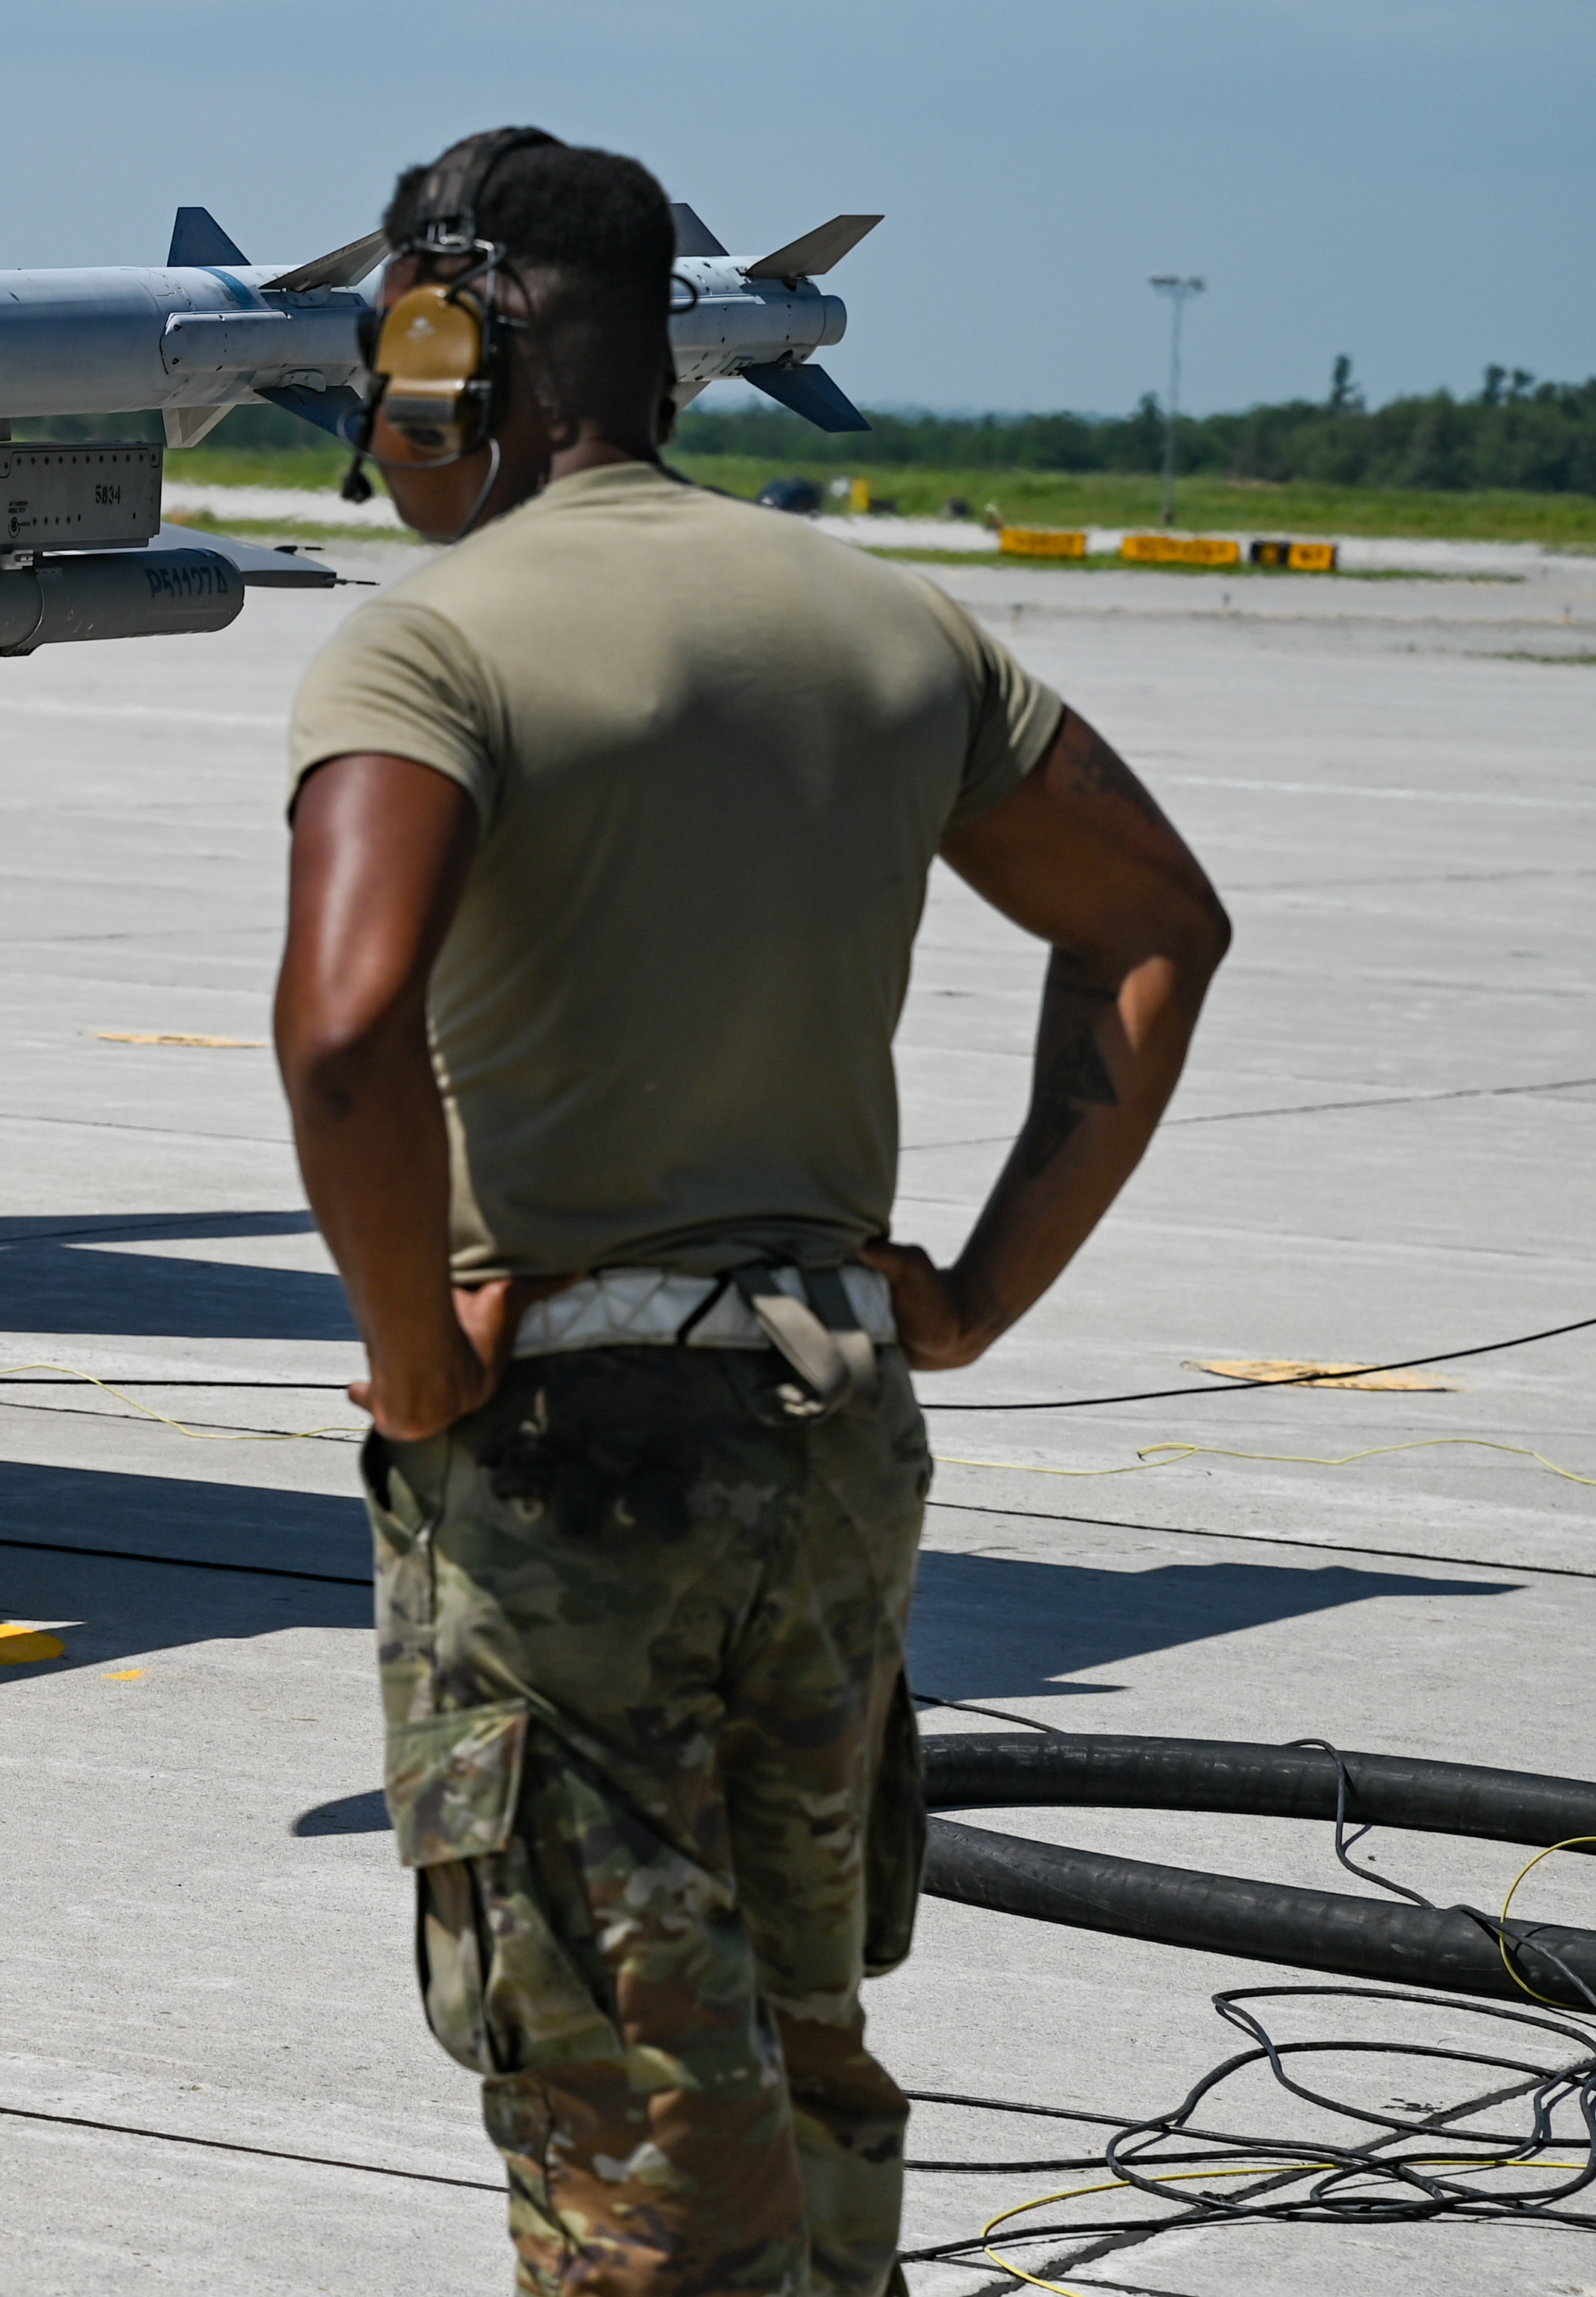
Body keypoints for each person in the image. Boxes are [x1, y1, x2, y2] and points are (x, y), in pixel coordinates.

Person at [273, 132, 1230, 2295]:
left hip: (565, 1450)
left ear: (441, 340)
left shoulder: (434, 649)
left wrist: (414, 1354)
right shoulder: (887, 625)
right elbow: (1156, 925)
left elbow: (340, 1035)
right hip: (834, 1428)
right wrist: (972, 1294)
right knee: (798, 2041)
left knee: (622, 2084)